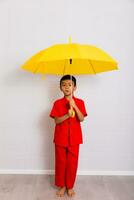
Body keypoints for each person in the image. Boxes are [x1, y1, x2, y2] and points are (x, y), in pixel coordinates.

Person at [49, 74, 88, 197]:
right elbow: (56, 121)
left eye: (69, 85)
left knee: (72, 163)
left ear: (75, 87)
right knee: (61, 162)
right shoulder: (57, 103)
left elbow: (81, 118)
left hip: (75, 138)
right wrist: (67, 114)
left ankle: (70, 186)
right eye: (64, 85)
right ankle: (62, 185)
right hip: (60, 137)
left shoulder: (80, 102)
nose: (67, 87)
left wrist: (74, 105)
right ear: (60, 88)